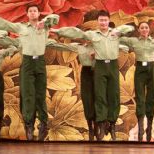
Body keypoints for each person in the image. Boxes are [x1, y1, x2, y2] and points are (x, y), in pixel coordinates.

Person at [53, 10, 134, 141]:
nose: (103, 22)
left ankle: (112, 124)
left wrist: (117, 31)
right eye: (101, 20)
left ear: (108, 21)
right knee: (100, 95)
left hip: (112, 65)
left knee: (114, 95)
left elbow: (129, 28)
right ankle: (101, 123)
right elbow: (76, 33)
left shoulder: (115, 34)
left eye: (105, 20)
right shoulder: (92, 35)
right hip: (100, 65)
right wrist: (58, 31)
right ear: (98, 22)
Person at [0, 5, 60, 141]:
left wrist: (45, 20)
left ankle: (43, 124)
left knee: (40, 94)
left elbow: (55, 18)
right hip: (27, 62)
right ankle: (29, 124)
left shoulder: (45, 26)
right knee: (28, 94)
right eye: (30, 11)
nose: (32, 13)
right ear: (27, 14)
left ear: (38, 13)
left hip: (40, 63)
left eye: (35, 11)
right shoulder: (21, 28)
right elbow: (3, 23)